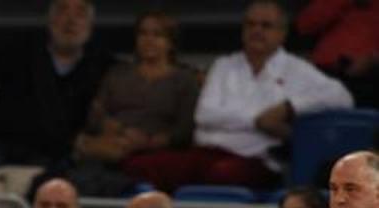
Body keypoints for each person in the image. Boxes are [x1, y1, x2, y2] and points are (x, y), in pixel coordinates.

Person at [124, 1, 353, 192]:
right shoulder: (225, 65)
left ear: (282, 33)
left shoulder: (296, 70)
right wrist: (258, 122)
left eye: (266, 25)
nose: (257, 30)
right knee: (139, 166)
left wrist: (288, 107)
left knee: (222, 174)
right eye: (251, 24)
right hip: (204, 153)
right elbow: (205, 115)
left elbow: (342, 96)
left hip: (255, 162)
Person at [0, 0, 114, 180]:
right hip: (3, 144)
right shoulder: (19, 49)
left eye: (80, 13)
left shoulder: (101, 66)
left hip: (56, 153)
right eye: (63, 10)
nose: (71, 20)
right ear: (50, 19)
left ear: (90, 25)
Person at [74, 11, 200, 173]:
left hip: (156, 148)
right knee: (84, 145)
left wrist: (148, 141)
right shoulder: (117, 74)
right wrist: (118, 129)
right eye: (143, 33)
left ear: (171, 42)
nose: (149, 40)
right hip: (114, 140)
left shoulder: (184, 79)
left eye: (157, 34)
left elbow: (185, 130)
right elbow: (96, 115)